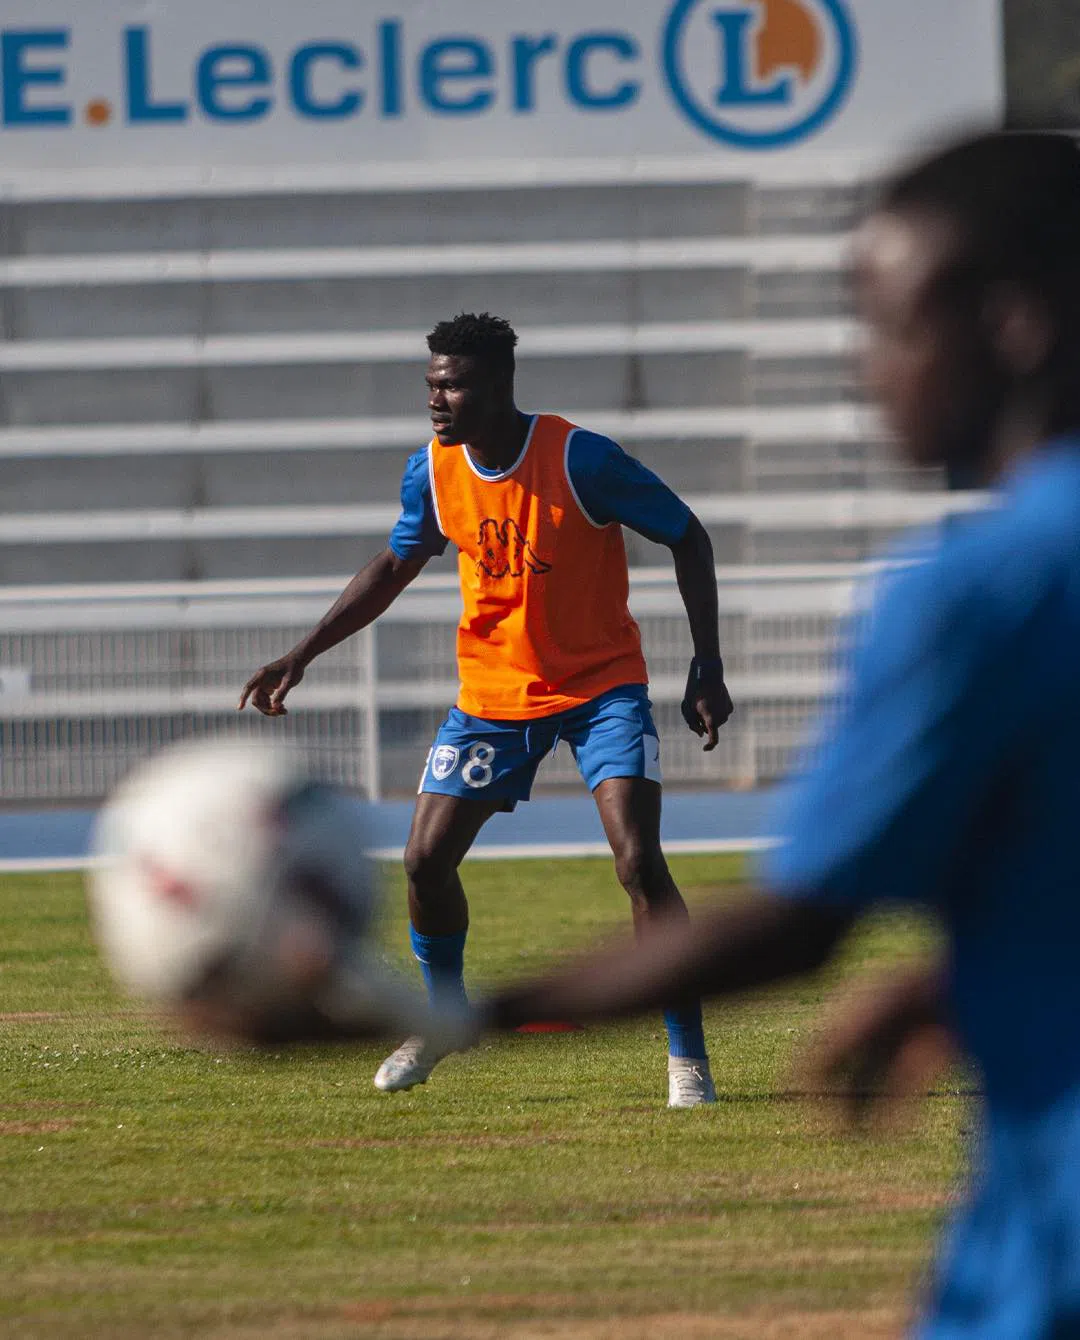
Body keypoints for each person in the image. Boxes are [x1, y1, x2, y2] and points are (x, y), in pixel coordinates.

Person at [471, 130, 1080, 1336]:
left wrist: (452, 1013)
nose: (876, 370)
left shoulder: (982, 591)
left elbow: (798, 929)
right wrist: (965, 979)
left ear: (1013, 326)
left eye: (895, 324)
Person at [239, 311, 734, 1107]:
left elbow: (689, 535)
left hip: (600, 689)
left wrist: (706, 666)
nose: (437, 399)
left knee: (639, 862)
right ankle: (440, 1020)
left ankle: (687, 1062)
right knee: (423, 861)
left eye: (454, 385)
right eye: (431, 384)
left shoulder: (581, 459)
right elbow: (394, 564)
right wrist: (303, 652)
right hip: (492, 699)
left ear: (500, 386)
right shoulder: (433, 470)